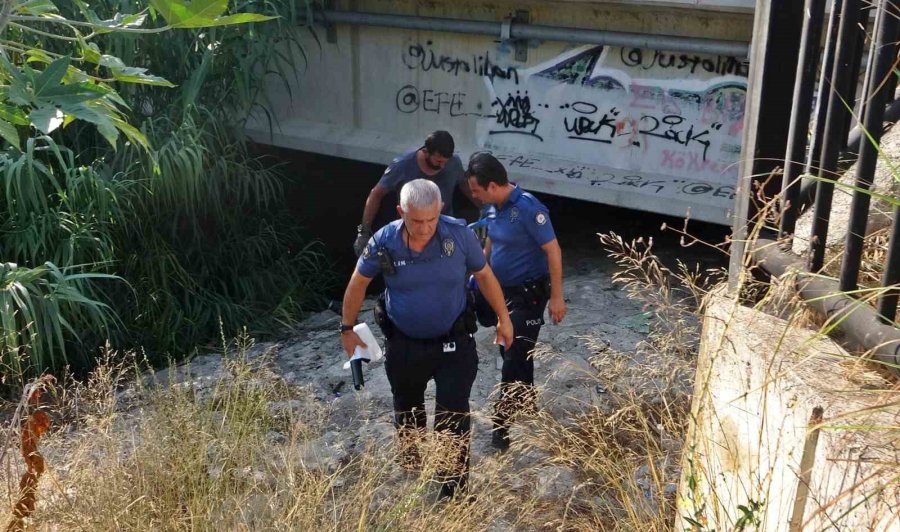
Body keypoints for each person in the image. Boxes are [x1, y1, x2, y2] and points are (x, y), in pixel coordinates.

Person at [340, 179, 514, 500]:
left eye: (431, 220)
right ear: (400, 212)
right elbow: (358, 282)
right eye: (416, 220)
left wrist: (504, 318)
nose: (424, 228)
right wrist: (347, 329)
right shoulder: (384, 241)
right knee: (408, 411)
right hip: (405, 343)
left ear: (441, 210)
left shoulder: (459, 236)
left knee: (453, 415)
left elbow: (484, 275)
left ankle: (454, 491)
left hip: (453, 342)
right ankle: (414, 472)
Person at [464, 152, 567, 451]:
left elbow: (553, 251)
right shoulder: (493, 208)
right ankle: (526, 398)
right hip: (499, 291)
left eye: (476, 190)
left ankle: (502, 425)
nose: (473, 195)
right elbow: (491, 241)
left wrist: (557, 297)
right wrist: (479, 273)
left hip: (528, 295)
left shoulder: (528, 208)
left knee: (513, 353)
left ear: (492, 185)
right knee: (515, 348)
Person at [353, 130, 477, 256]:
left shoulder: (454, 163)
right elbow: (376, 194)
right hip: (410, 233)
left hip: (443, 233)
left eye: (446, 162)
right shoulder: (402, 165)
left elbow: (466, 187)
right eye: (438, 162)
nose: (442, 166)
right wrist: (364, 232)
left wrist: (484, 208)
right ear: (425, 152)